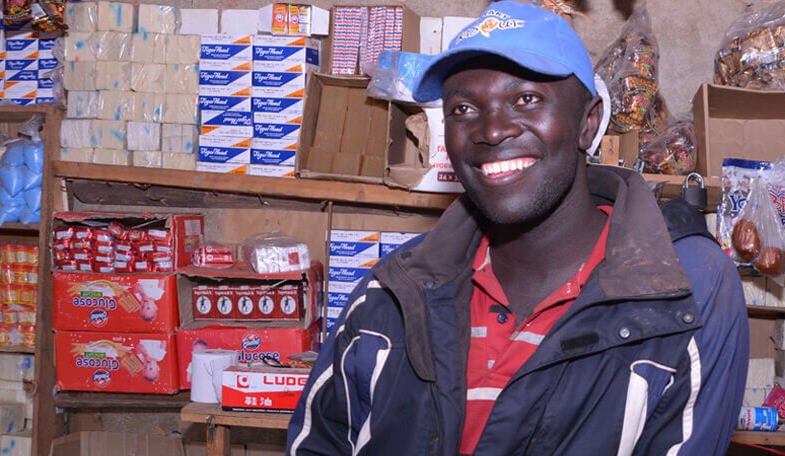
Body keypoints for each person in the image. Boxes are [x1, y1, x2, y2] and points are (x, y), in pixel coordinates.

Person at [286, 2, 748, 455]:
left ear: (588, 125)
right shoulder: (394, 290)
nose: (490, 130)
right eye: (463, 109)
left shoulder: (688, 290)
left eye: (525, 99)